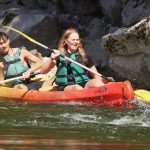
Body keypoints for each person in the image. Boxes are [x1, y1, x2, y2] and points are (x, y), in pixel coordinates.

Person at [41, 28, 105, 91]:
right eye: (73, 40)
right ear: (66, 41)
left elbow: (96, 75)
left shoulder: (84, 56)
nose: (76, 42)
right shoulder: (59, 56)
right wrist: (51, 58)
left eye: (77, 40)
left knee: (97, 82)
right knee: (77, 88)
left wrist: (101, 81)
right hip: (66, 86)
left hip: (84, 83)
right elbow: (43, 71)